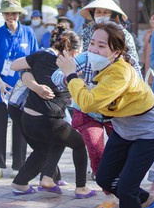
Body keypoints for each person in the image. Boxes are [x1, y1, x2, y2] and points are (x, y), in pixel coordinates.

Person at [56, 22, 154, 208]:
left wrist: (70, 75)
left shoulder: (120, 72)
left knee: (126, 187)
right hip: (123, 130)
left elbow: (87, 102)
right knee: (104, 177)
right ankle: (147, 199)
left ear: (116, 52)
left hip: (147, 133)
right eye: (92, 43)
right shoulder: (102, 68)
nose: (94, 49)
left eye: (101, 45)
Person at [10, 24, 95, 197]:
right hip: (48, 120)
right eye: (78, 52)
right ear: (72, 51)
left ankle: (24, 183)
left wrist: (33, 79)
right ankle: (81, 188)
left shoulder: (40, 55)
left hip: (28, 117)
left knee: (46, 147)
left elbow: (15, 66)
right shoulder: (69, 67)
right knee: (78, 144)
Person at [0, 0, 39, 180]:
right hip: (1, 88)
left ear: (19, 14)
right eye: (7, 13)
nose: (11, 16)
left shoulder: (28, 33)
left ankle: (19, 164)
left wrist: (32, 83)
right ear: (3, 14)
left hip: (23, 88)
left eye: (14, 12)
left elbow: (34, 60)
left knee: (21, 126)